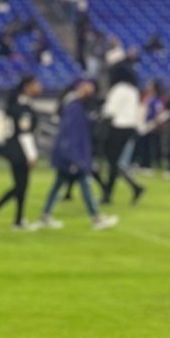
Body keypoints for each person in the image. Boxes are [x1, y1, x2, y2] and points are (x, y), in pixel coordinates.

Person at [34, 77, 118, 231]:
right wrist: (75, 158)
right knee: (84, 185)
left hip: (71, 154)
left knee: (59, 185)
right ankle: (96, 218)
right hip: (73, 155)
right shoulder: (74, 107)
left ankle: (46, 215)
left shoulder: (78, 106)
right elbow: (72, 135)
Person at [0, 75, 41, 233]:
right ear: (27, 87)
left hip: (14, 149)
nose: (39, 87)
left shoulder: (17, 105)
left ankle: (18, 220)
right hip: (19, 151)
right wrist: (31, 155)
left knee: (22, 186)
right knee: (20, 186)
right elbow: (24, 133)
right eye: (35, 84)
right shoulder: (23, 109)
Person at [99, 62, 145, 206]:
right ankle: (132, 187)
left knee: (111, 162)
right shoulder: (134, 90)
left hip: (117, 128)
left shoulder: (118, 89)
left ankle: (108, 193)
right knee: (115, 162)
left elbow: (109, 111)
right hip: (130, 128)